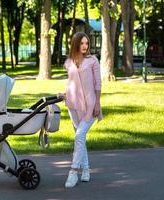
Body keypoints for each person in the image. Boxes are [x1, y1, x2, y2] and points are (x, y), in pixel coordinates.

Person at [58, 32, 102, 188]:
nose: (85, 46)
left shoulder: (93, 61)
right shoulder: (69, 62)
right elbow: (71, 83)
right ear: (76, 44)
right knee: (80, 138)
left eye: (87, 43)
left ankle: (73, 172)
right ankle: (86, 171)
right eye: (82, 43)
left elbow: (98, 85)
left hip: (90, 105)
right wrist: (64, 94)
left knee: (79, 135)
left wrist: (97, 103)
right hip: (73, 104)